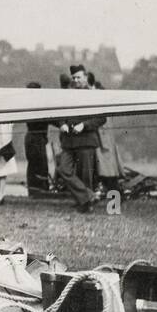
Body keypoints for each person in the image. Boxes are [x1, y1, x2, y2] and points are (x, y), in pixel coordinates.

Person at [50, 65, 104, 213]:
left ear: (86, 77)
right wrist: (61, 124)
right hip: (69, 142)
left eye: (79, 77)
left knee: (85, 175)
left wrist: (84, 125)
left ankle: (85, 204)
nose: (76, 80)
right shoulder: (67, 95)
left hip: (86, 141)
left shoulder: (95, 95)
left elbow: (101, 118)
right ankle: (88, 196)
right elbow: (58, 114)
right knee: (63, 170)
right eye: (73, 78)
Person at [89, 73, 124, 194]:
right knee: (107, 171)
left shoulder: (101, 102)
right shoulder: (103, 101)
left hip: (103, 141)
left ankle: (115, 195)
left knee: (107, 172)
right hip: (104, 140)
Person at [23, 81, 52, 195]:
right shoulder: (36, 106)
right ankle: (38, 189)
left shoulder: (30, 105)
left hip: (33, 137)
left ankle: (35, 189)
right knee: (39, 163)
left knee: (34, 164)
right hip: (36, 137)